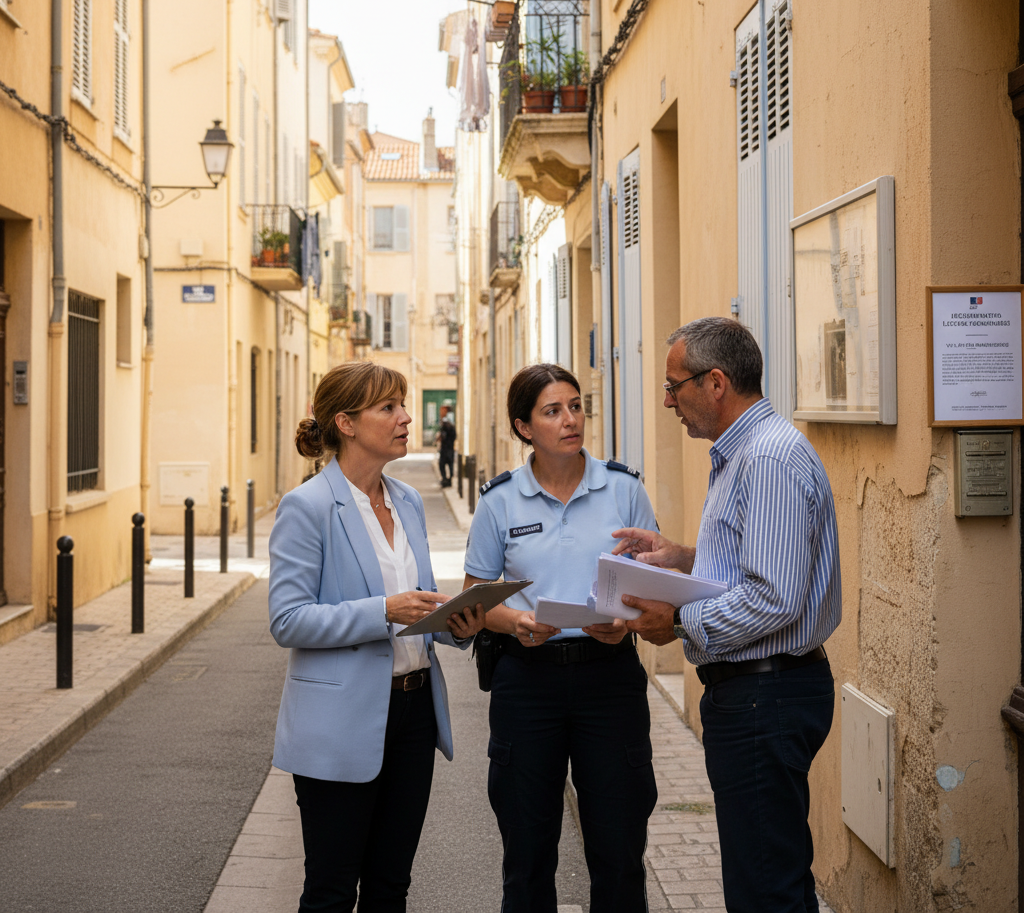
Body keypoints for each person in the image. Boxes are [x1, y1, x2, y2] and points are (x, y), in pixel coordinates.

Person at [611, 317, 841, 913]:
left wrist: (680, 623)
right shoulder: (748, 452)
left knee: (767, 887)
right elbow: (758, 565)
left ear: (715, 383)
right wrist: (684, 558)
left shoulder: (764, 459)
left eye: (675, 385)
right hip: (763, 692)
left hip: (767, 693)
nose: (667, 400)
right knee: (762, 872)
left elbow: (773, 597)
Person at [268, 361, 487, 913]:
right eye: (388, 407)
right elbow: (287, 619)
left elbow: (420, 602)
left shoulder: (408, 501)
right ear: (345, 422)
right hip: (339, 726)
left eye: (403, 405)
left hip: (414, 717)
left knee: (392, 886)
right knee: (332, 891)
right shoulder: (308, 507)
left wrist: (458, 625)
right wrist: (381, 611)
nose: (406, 418)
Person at [461, 363, 659, 913]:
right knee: (526, 855)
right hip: (527, 682)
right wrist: (515, 622)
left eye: (576, 406)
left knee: (619, 851)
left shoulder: (623, 489)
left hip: (609, 677)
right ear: (524, 427)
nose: (570, 419)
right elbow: (475, 596)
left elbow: (654, 587)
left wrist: (626, 622)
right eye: (553, 411)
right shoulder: (499, 501)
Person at [437, 403, 456, 487]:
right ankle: (447, 480)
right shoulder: (449, 421)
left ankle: (446, 480)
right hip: (449, 447)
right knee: (448, 464)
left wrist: (441, 437)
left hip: (447, 447)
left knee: (443, 464)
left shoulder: (446, 421)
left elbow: (444, 434)